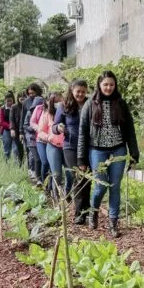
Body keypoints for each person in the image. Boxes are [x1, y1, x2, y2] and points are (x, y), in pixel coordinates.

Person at [78, 71, 139, 238]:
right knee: (101, 186)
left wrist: (133, 154)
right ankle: (94, 212)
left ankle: (113, 223)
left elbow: (130, 130)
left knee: (115, 186)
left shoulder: (120, 103)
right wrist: (81, 158)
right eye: (105, 84)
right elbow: (83, 132)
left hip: (118, 149)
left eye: (111, 84)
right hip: (97, 150)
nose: (108, 87)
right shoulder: (90, 104)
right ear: (99, 85)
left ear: (115, 85)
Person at [54, 79, 90, 223]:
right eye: (78, 91)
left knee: (88, 178)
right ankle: (78, 213)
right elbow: (54, 126)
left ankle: (87, 212)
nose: (80, 94)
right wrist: (59, 128)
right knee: (79, 177)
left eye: (83, 91)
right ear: (72, 90)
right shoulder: (64, 106)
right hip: (70, 146)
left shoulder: (90, 104)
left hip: (88, 146)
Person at [38, 92, 64, 197]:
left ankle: (67, 193)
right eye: (56, 102)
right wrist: (48, 137)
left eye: (60, 101)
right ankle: (56, 197)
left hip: (67, 147)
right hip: (53, 146)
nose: (58, 104)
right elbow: (40, 131)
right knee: (56, 174)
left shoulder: (68, 112)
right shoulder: (47, 115)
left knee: (71, 174)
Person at [22, 83, 44, 183]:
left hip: (41, 138)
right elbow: (25, 123)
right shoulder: (27, 106)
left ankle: (41, 177)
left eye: (33, 93)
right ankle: (36, 176)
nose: (31, 95)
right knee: (35, 158)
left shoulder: (43, 107)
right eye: (29, 93)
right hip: (31, 137)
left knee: (41, 159)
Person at [0, 92, 16, 162]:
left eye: (10, 101)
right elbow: (1, 122)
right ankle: (6, 164)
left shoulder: (15, 107)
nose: (9, 103)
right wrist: (11, 127)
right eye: (7, 101)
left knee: (16, 149)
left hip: (15, 130)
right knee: (7, 150)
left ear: (13, 100)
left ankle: (17, 165)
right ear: (5, 100)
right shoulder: (2, 109)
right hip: (6, 130)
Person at [9, 92, 26, 167]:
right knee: (19, 149)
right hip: (16, 130)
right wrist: (12, 129)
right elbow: (11, 119)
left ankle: (26, 165)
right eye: (20, 97)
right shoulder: (14, 107)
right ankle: (19, 165)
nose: (22, 99)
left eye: (24, 97)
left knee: (26, 149)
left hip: (26, 130)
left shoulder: (28, 106)